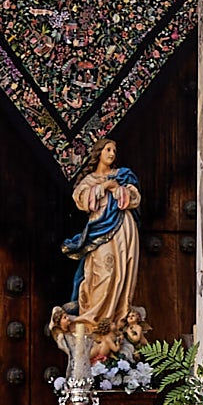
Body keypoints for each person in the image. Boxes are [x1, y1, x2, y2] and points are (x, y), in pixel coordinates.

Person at [52, 139, 143, 366]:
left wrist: (118, 188)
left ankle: (117, 320)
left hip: (123, 230)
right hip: (100, 232)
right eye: (108, 149)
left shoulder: (123, 175)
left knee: (122, 274)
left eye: (114, 150)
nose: (112, 153)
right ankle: (94, 322)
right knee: (103, 273)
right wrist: (105, 187)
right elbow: (82, 200)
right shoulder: (90, 181)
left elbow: (134, 198)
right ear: (98, 153)